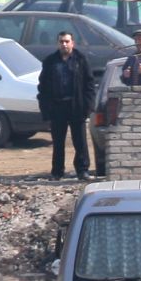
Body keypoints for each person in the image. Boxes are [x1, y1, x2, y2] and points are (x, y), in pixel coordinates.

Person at [37, 31, 97, 179]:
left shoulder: (81, 60)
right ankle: (57, 172)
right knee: (58, 142)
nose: (64, 44)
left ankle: (82, 170)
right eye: (61, 42)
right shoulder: (50, 61)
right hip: (57, 106)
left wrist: (87, 106)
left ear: (72, 43)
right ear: (58, 43)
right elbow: (43, 86)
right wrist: (46, 108)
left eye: (67, 41)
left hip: (76, 106)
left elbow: (89, 85)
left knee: (80, 141)